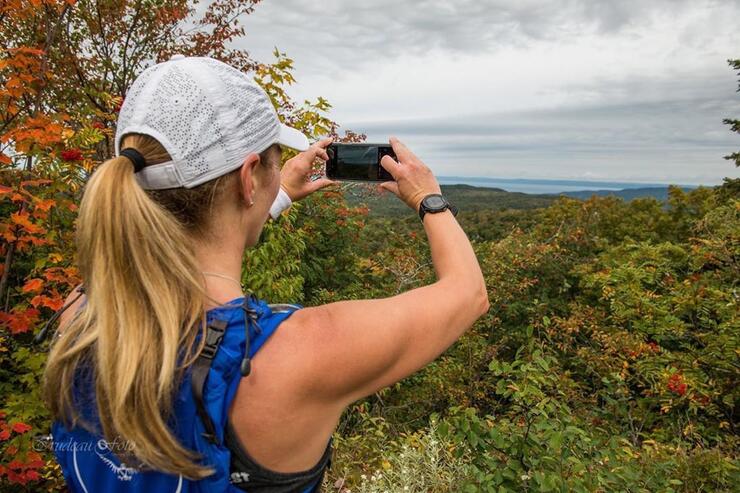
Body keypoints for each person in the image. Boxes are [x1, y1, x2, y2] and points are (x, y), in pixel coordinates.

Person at [41, 55, 489, 493]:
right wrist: (428, 197)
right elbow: (468, 292)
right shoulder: (294, 354)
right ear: (249, 176)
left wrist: (268, 200)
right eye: (274, 157)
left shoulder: (81, 312)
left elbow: (178, 254)